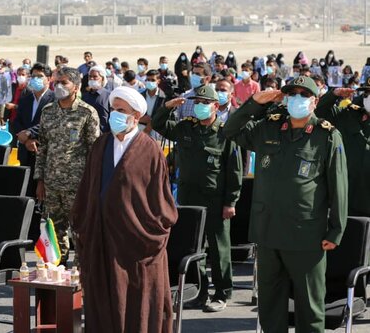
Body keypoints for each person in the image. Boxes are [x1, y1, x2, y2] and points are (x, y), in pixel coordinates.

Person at [222, 76, 348, 332]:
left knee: (310, 308)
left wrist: (336, 230)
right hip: (268, 233)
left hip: (306, 235)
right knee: (270, 307)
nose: (297, 99)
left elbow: (339, 187)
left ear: (314, 102)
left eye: (304, 95)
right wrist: (254, 103)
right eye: (292, 94)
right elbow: (230, 131)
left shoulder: (327, 135)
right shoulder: (268, 128)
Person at [71, 86, 178, 333]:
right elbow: (87, 189)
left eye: (122, 111)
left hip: (135, 244)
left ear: (136, 116)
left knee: (135, 305)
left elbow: (160, 201)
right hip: (101, 239)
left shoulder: (149, 150)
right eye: (113, 110)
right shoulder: (100, 145)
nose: (115, 115)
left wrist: (149, 235)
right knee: (102, 303)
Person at [152, 85, 243, 312]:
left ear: (215, 105)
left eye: (205, 102)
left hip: (215, 199)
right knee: (194, 248)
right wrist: (167, 107)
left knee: (219, 247)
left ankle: (222, 293)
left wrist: (230, 202)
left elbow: (234, 171)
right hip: (188, 197)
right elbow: (159, 124)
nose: (200, 106)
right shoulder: (186, 128)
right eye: (197, 102)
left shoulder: (225, 132)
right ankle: (200, 292)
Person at [34, 67, 100, 264]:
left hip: (77, 185)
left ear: (76, 87)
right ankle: (56, 269)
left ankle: (81, 273)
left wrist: (91, 185)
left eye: (64, 83)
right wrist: (40, 180)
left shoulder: (86, 113)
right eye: (57, 83)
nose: (59, 87)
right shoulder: (48, 111)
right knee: (54, 229)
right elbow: (43, 147)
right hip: (52, 184)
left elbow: (94, 151)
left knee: (79, 228)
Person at [315, 80, 370, 216]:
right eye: (367, 93)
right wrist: (334, 94)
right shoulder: (348, 115)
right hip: (348, 200)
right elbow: (320, 112)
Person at [13, 63, 55, 197]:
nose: (36, 79)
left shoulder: (55, 100)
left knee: (42, 195)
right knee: (26, 192)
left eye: (40, 76)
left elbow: (50, 123)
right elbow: (17, 121)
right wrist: (26, 140)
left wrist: (31, 134)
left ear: (49, 79)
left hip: (44, 153)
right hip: (26, 152)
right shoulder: (26, 98)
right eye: (34, 76)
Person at [82, 66, 110, 133]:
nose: (92, 78)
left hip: (104, 137)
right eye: (90, 76)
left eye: (95, 76)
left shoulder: (109, 96)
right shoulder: (85, 96)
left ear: (102, 78)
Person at [140, 69, 166, 139]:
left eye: (153, 80)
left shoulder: (163, 97)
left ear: (158, 81)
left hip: (156, 132)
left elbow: (162, 116)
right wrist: (140, 119)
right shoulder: (140, 96)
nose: (150, 82)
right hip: (140, 130)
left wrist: (149, 126)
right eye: (148, 80)